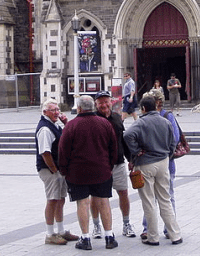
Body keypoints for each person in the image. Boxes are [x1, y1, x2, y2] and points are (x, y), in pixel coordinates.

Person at [58, 95, 119, 250]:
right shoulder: (104, 123)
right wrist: (109, 165)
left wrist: (64, 170)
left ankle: (85, 239)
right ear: (93, 107)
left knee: (83, 203)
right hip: (102, 171)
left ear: (78, 108)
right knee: (103, 202)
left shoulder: (71, 126)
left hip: (78, 173)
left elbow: (63, 151)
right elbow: (113, 147)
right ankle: (109, 236)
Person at [124, 94, 183, 246]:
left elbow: (128, 135)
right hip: (163, 162)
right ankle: (175, 234)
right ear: (156, 106)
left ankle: (152, 236)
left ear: (143, 108)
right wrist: (168, 154)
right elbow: (172, 141)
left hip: (146, 164)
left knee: (149, 201)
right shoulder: (165, 121)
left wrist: (136, 151)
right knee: (165, 199)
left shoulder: (141, 122)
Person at [91, 90, 136, 239]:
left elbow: (122, 140)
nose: (104, 104)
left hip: (118, 163)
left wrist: (130, 158)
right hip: (99, 166)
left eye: (106, 101)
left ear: (111, 102)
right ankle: (96, 226)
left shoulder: (117, 118)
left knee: (123, 192)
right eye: (100, 102)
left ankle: (126, 223)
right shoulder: (92, 119)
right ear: (96, 104)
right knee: (96, 197)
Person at [138, 88, 180, 241]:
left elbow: (174, 139)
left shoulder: (168, 116)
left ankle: (169, 229)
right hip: (155, 163)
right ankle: (147, 228)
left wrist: (162, 154)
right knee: (150, 197)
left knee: (167, 196)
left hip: (165, 164)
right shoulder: (144, 117)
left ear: (157, 103)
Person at [35, 99, 79, 245]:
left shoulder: (54, 125)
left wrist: (66, 123)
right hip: (50, 170)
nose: (56, 113)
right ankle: (49, 234)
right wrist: (54, 169)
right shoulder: (45, 129)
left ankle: (60, 230)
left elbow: (68, 138)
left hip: (57, 169)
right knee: (53, 199)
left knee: (60, 199)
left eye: (58, 109)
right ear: (45, 112)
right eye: (53, 110)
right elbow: (45, 152)